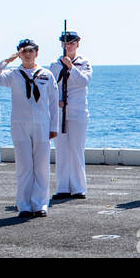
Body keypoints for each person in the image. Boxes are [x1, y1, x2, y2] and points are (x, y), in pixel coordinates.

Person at [0, 39, 59, 218]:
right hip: (20, 124)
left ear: (37, 52)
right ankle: (24, 205)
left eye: (31, 50)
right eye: (24, 51)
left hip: (42, 124)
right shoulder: (13, 75)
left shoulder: (46, 74)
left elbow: (53, 103)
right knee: (24, 166)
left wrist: (54, 126)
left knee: (41, 166)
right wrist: (7, 60)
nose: (27, 54)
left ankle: (40, 204)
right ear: (19, 53)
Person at [50, 29, 92, 201]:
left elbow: (84, 80)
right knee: (62, 151)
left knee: (76, 149)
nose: (68, 46)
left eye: (71, 43)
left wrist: (71, 67)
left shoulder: (83, 62)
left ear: (77, 43)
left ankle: (78, 187)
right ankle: (63, 187)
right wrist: (57, 100)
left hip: (78, 111)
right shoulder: (54, 64)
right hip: (61, 112)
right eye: (65, 43)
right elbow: (52, 87)